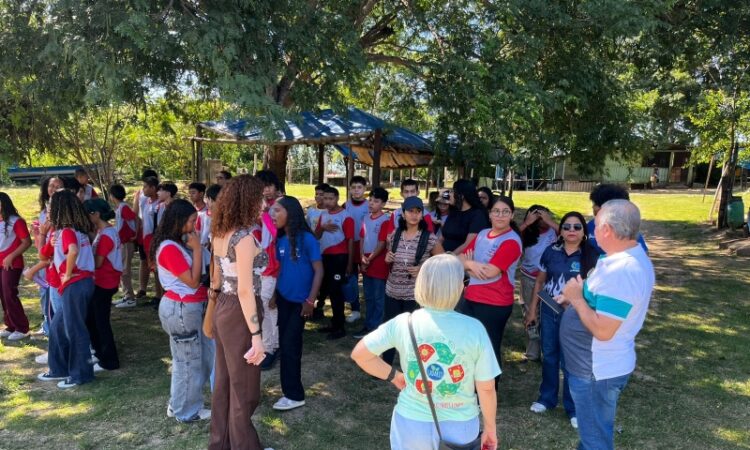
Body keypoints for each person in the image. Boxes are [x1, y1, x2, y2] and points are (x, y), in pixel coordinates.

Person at [351, 254, 499, 450]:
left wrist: (394, 376)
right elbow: (486, 388)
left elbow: (360, 354)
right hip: (461, 424)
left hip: (411, 423)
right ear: (459, 287)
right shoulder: (474, 328)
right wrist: (490, 428)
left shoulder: (404, 322)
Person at [557, 200, 654, 450]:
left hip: (596, 371)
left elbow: (603, 330)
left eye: (596, 225)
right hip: (592, 368)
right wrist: (578, 295)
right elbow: (603, 300)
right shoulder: (619, 259)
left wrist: (577, 300)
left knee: (595, 441)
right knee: (593, 434)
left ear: (607, 230)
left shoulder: (623, 270)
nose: (592, 231)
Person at [206, 175, 268, 447]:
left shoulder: (219, 233)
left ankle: (221, 443)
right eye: (260, 198)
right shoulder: (243, 238)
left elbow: (216, 279)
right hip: (240, 312)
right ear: (247, 201)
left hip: (224, 306)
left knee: (224, 382)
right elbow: (245, 290)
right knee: (244, 387)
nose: (264, 204)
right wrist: (256, 335)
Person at [526, 212, 598, 429]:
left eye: (577, 227)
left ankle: (573, 407)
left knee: (571, 360)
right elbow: (540, 283)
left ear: (584, 231)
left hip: (575, 313)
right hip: (549, 309)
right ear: (561, 230)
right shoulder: (551, 251)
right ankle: (546, 398)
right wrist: (532, 311)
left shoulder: (591, 255)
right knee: (549, 354)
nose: (571, 231)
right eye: (566, 227)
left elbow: (594, 289)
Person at [152, 199, 213, 422]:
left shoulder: (178, 243)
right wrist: (196, 250)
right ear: (177, 221)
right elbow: (193, 281)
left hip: (188, 307)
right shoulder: (169, 248)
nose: (194, 227)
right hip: (181, 309)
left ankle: (179, 403)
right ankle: (186, 411)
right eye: (190, 221)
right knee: (188, 361)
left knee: (193, 359)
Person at [269, 196, 323, 411]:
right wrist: (274, 294)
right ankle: (289, 391)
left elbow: (319, 271)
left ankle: (294, 395)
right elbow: (280, 269)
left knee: (291, 346)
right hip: (283, 299)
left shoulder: (307, 239)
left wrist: (310, 300)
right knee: (285, 345)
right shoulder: (280, 239)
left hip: (301, 303)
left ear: (290, 213)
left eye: (277, 210)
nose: (273, 215)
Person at [458, 195, 522, 379]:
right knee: (469, 346)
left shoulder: (511, 241)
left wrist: (468, 265)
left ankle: (489, 389)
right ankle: (472, 387)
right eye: (496, 211)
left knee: (488, 349)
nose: (500, 215)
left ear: (512, 215)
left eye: (505, 212)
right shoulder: (482, 234)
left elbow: (489, 272)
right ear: (490, 214)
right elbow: (459, 259)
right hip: (471, 299)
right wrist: (471, 264)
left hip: (494, 304)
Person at [38, 190, 96, 389]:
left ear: (59, 209)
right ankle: (59, 369)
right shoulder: (76, 231)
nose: (48, 209)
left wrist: (68, 273)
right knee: (57, 327)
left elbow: (73, 251)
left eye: (51, 206)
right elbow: (47, 255)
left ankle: (80, 374)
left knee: (75, 329)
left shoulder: (68, 231)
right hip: (81, 283)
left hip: (76, 284)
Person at [381, 197, 443, 364]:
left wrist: (423, 268)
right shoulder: (395, 235)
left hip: (414, 294)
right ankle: (385, 365)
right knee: (391, 328)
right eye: (410, 211)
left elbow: (442, 261)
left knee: (412, 332)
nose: (414, 215)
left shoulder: (429, 238)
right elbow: (391, 258)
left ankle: (411, 367)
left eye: (418, 211)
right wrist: (387, 258)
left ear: (422, 215)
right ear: (403, 214)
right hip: (392, 291)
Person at [83, 199, 122, 371]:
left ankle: (109, 360)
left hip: (105, 282)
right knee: (94, 319)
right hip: (104, 281)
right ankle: (100, 353)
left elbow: (98, 263)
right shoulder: (105, 231)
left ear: (96, 214)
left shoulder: (106, 235)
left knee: (101, 322)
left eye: (87, 214)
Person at [519, 204, 559, 362]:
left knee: (550, 314)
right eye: (540, 217)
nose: (544, 219)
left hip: (550, 280)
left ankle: (547, 351)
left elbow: (568, 234)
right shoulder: (526, 233)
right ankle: (532, 353)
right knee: (531, 313)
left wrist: (550, 222)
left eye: (546, 215)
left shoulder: (554, 230)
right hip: (529, 278)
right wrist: (526, 223)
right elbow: (509, 236)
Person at [314, 186, 354, 340]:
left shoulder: (346, 216)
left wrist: (349, 263)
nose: (327, 202)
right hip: (325, 257)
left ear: (337, 199)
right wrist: (322, 228)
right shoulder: (323, 215)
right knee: (329, 290)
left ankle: (339, 327)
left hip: (340, 258)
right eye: (325, 198)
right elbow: (316, 236)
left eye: (331, 199)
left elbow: (350, 240)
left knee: (336, 291)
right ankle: (334, 323)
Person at [353, 187, 390, 339]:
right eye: (370, 200)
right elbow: (362, 237)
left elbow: (382, 243)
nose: (371, 203)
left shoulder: (385, 220)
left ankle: (376, 327)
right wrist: (362, 256)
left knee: (378, 297)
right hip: (366, 261)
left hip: (378, 262)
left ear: (383, 204)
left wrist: (370, 258)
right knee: (368, 296)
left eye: (376, 201)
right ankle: (368, 324)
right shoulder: (366, 218)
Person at [120, 174, 159, 308]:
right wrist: (137, 233)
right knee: (147, 263)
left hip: (155, 239)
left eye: (146, 186)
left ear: (153, 188)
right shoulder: (145, 201)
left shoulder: (159, 204)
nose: (143, 189)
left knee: (157, 268)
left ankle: (159, 295)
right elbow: (138, 217)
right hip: (145, 238)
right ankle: (149, 292)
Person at [0, 192, 32, 341]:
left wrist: (11, 256)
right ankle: (11, 325)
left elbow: (27, 242)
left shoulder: (16, 221)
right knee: (3, 295)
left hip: (12, 264)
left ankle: (22, 328)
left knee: (9, 294)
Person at [587, 184, 648, 254]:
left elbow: (642, 255)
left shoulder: (628, 232)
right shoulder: (590, 226)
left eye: (595, 204)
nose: (593, 207)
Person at [343, 175, 369, 323]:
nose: (356, 190)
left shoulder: (369, 205)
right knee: (352, 277)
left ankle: (371, 309)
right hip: (351, 246)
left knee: (367, 278)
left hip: (366, 246)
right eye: (353, 187)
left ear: (365, 189)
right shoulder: (345, 205)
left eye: (359, 187)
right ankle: (355, 310)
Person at [440, 179, 490, 253]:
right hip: (442, 255)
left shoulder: (477, 215)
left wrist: (449, 257)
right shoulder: (454, 211)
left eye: (452, 192)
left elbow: (468, 244)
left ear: (461, 196)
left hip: (459, 257)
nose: (449, 195)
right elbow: (442, 237)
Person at [110, 184, 137, 306]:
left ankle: (130, 298)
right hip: (123, 242)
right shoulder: (120, 207)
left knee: (125, 270)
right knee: (122, 269)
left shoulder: (123, 207)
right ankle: (126, 295)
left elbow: (135, 219)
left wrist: (135, 234)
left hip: (126, 242)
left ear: (112, 196)